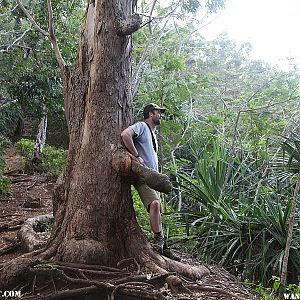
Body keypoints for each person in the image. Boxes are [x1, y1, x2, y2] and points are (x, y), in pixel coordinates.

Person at [121, 103, 167, 253]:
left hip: (153, 177)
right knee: (154, 204)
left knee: (158, 209)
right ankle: (158, 238)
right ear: (150, 114)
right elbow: (125, 135)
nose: (161, 115)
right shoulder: (141, 126)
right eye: (158, 112)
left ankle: (163, 247)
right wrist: (136, 156)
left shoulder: (153, 133)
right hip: (144, 176)